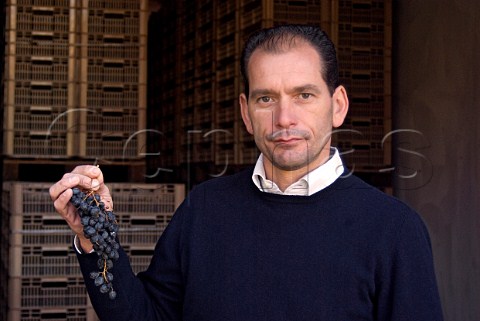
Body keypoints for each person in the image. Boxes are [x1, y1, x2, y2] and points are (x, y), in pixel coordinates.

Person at [49, 24, 444, 320]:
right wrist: (94, 238)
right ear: (245, 112)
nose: (284, 118)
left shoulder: (394, 230)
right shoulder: (205, 208)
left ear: (337, 105)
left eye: (304, 95)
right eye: (266, 98)